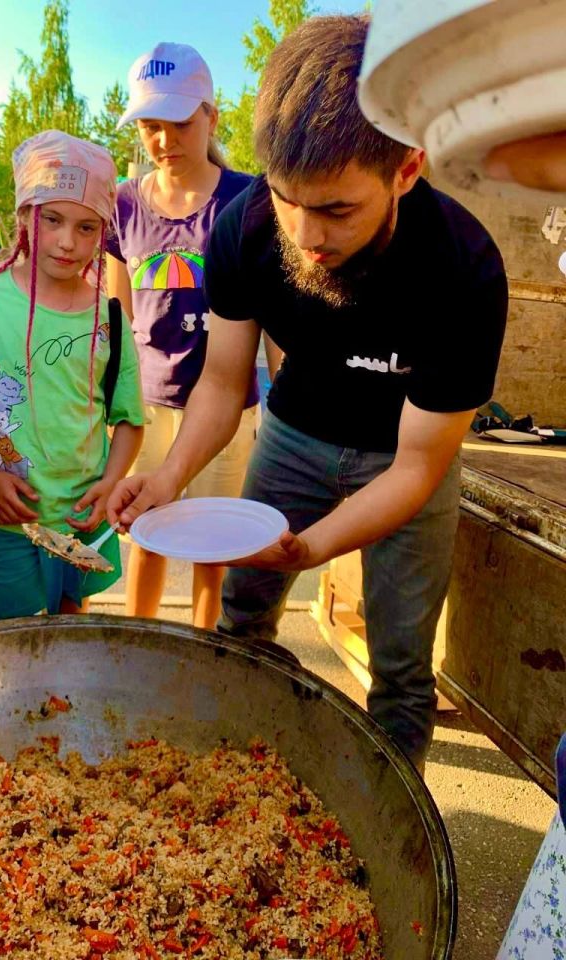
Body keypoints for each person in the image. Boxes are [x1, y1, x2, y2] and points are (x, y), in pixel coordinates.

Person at [108, 14, 508, 769]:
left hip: (403, 454)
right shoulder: (245, 226)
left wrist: (311, 547)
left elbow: (419, 469)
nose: (306, 233)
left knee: (399, 661)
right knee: (244, 612)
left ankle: (397, 823)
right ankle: (230, 770)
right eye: (289, 198)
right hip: (292, 434)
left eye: (336, 210)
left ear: (407, 169)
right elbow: (225, 382)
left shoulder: (464, 269)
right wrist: (166, 478)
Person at [0, 131, 145, 622]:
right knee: (6, 649)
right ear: (23, 215)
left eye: (87, 227)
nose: (67, 242)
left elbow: (130, 420)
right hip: (3, 522)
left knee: (68, 643)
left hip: (82, 521)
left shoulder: (109, 318)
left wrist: (112, 482)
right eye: (51, 219)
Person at [106, 42, 256, 630]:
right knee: (145, 534)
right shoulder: (123, 203)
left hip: (226, 411)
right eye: (149, 126)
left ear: (211, 117)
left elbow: (264, 315)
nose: (164, 140)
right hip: (146, 407)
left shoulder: (245, 199)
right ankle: (138, 643)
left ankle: (204, 653)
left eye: (178, 122)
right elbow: (119, 316)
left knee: (212, 548)